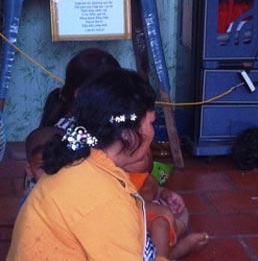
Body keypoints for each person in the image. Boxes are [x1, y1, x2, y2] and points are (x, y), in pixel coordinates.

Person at [7, 68, 168, 261]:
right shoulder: (104, 198)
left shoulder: (77, 162)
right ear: (127, 134)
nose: (152, 133)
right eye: (150, 123)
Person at [39, 47, 121, 128]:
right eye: (110, 93)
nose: (118, 100)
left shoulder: (105, 125)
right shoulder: (69, 132)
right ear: (79, 94)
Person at [19, 126, 65, 208]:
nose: (52, 172)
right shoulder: (32, 200)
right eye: (43, 168)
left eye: (60, 166)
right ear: (29, 170)